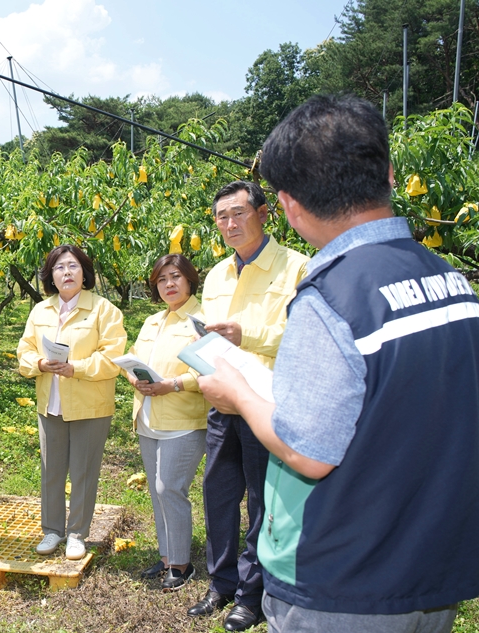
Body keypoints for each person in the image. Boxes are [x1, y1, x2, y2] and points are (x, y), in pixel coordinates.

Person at [199, 94, 479, 633]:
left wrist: (238, 393)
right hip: (432, 563)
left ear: (286, 206)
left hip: (346, 581)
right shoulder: (452, 280)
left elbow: (308, 451)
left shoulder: (332, 297)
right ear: (390, 174)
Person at [189, 181, 309, 631]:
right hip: (223, 402)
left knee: (263, 502)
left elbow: (305, 336)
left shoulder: (296, 267)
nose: (230, 224)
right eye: (221, 217)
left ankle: (253, 593)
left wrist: (248, 336)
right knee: (218, 492)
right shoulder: (219, 273)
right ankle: (220, 583)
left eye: (238, 213)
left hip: (267, 402)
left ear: (263, 213)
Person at [17, 245, 126, 561]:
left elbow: (112, 358)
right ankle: (52, 529)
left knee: (83, 471)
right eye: (59, 267)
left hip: (88, 405)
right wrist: (38, 363)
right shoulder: (41, 311)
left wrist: (74, 367)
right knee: (51, 470)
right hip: (50, 402)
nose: (67, 272)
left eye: (73, 266)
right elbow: (23, 351)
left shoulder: (103, 310)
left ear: (85, 272)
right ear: (50, 275)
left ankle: (77, 533)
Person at [125, 254, 208, 591]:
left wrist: (171, 384)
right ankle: (165, 557)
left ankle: (182, 564)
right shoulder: (152, 321)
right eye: (162, 280)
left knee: (169, 488)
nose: (169, 285)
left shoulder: (202, 320)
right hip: (148, 418)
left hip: (184, 419)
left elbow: (208, 369)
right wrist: (135, 380)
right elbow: (134, 360)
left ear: (189, 280)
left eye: (175, 277)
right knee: (158, 493)